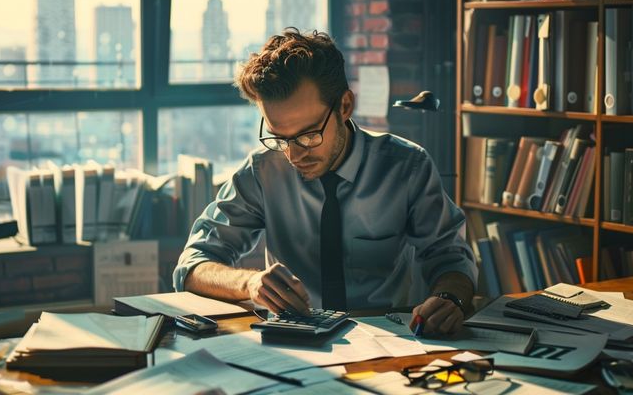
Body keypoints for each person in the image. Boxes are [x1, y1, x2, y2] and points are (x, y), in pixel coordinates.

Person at [173, 28, 477, 336]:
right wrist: (249, 283)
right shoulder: (263, 170)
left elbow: (450, 257)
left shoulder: (407, 167)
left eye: (307, 135)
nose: (292, 154)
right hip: (293, 344)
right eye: (279, 137)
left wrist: (450, 298)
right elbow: (191, 265)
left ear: (345, 106)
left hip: (389, 342)